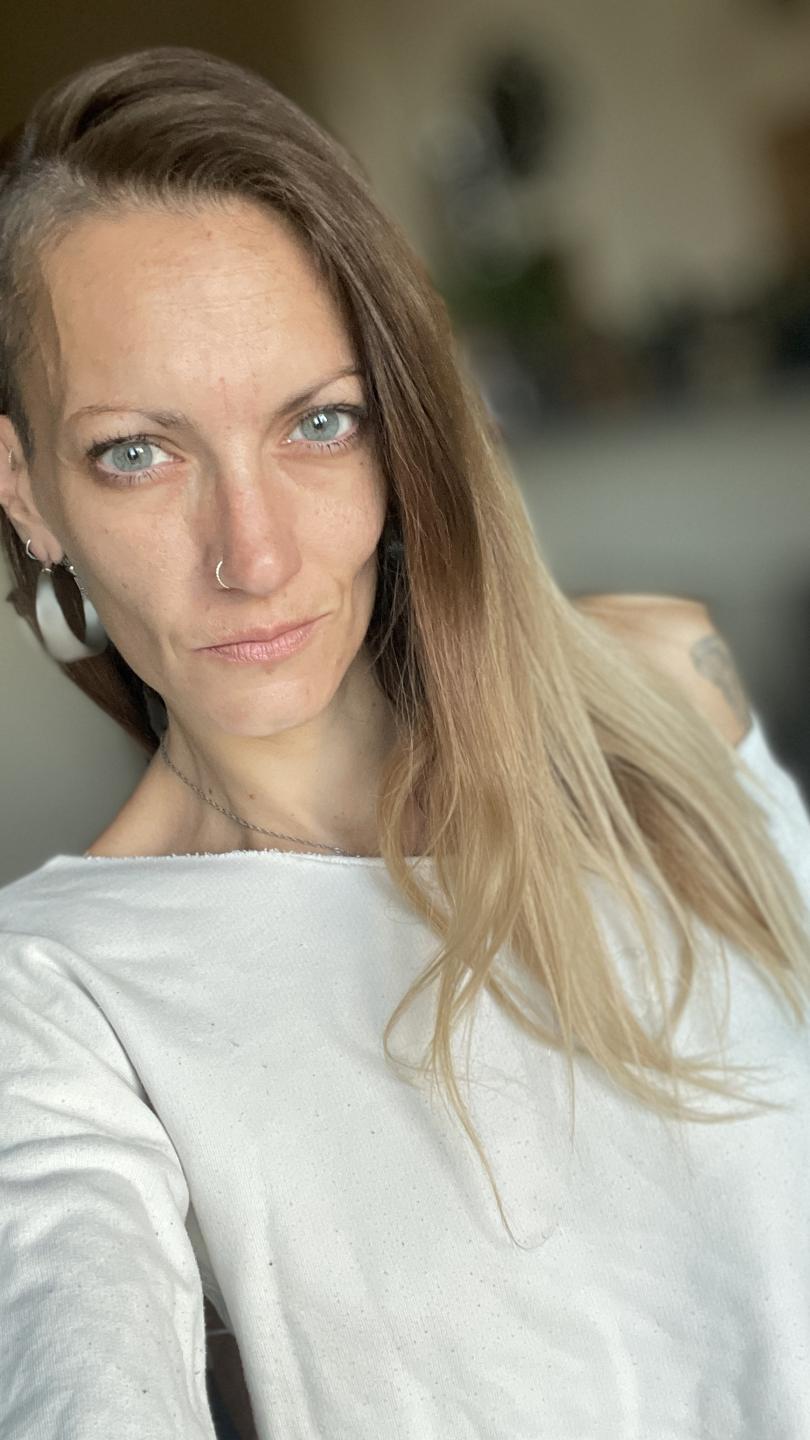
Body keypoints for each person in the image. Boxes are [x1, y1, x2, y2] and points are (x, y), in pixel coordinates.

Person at [0, 46, 808, 1440]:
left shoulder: (666, 695)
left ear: (401, 438)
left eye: (320, 425)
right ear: (24, 492)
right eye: (138, 451)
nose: (252, 556)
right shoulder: (57, 995)